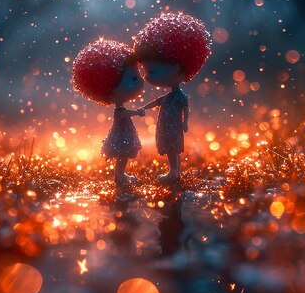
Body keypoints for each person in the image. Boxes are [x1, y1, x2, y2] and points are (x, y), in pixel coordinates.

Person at [135, 12, 211, 184]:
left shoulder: (179, 96)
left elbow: (185, 107)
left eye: (151, 71)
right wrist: (144, 108)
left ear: (176, 67)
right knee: (169, 149)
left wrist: (185, 122)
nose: (147, 77)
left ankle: (175, 172)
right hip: (166, 127)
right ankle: (173, 171)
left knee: (174, 149)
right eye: (145, 71)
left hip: (174, 127)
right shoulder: (169, 96)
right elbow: (157, 102)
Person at [71, 38, 145, 185]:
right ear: (110, 90)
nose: (140, 81)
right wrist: (137, 112)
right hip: (121, 134)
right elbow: (123, 114)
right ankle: (120, 176)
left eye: (138, 75)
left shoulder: (119, 107)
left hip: (124, 132)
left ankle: (121, 174)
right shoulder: (119, 110)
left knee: (123, 155)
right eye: (134, 78)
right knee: (122, 154)